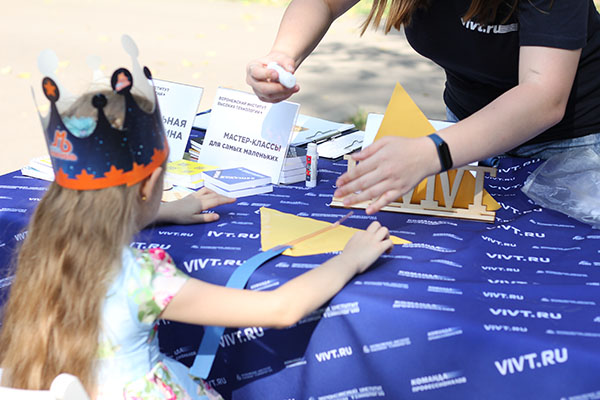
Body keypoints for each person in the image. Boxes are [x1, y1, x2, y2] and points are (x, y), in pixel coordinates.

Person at [0, 67, 393, 398]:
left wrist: (164, 211)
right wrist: (350, 259)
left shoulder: (40, 248)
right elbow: (279, 309)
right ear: (148, 185)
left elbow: (93, 218)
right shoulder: (142, 277)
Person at [246, 0, 600, 214]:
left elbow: (542, 97)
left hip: (574, 143)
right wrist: (283, 55)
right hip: (468, 130)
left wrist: (430, 152)